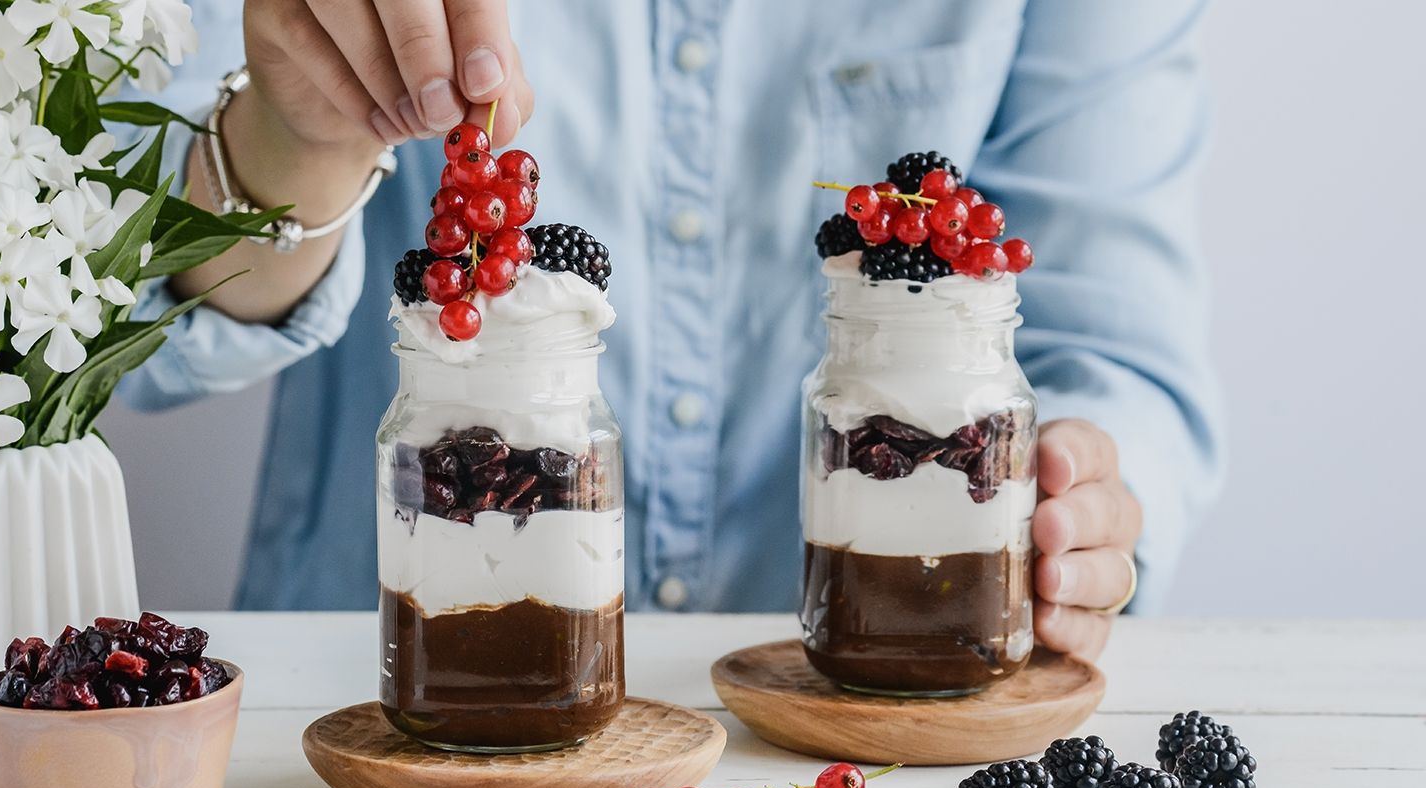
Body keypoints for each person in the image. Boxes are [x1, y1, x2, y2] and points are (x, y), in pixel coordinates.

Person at [119, 1, 1222, 661]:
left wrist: (1083, 508)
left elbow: (1114, 343)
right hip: (342, 696)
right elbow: (120, 303)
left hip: (871, 734)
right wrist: (296, 140)